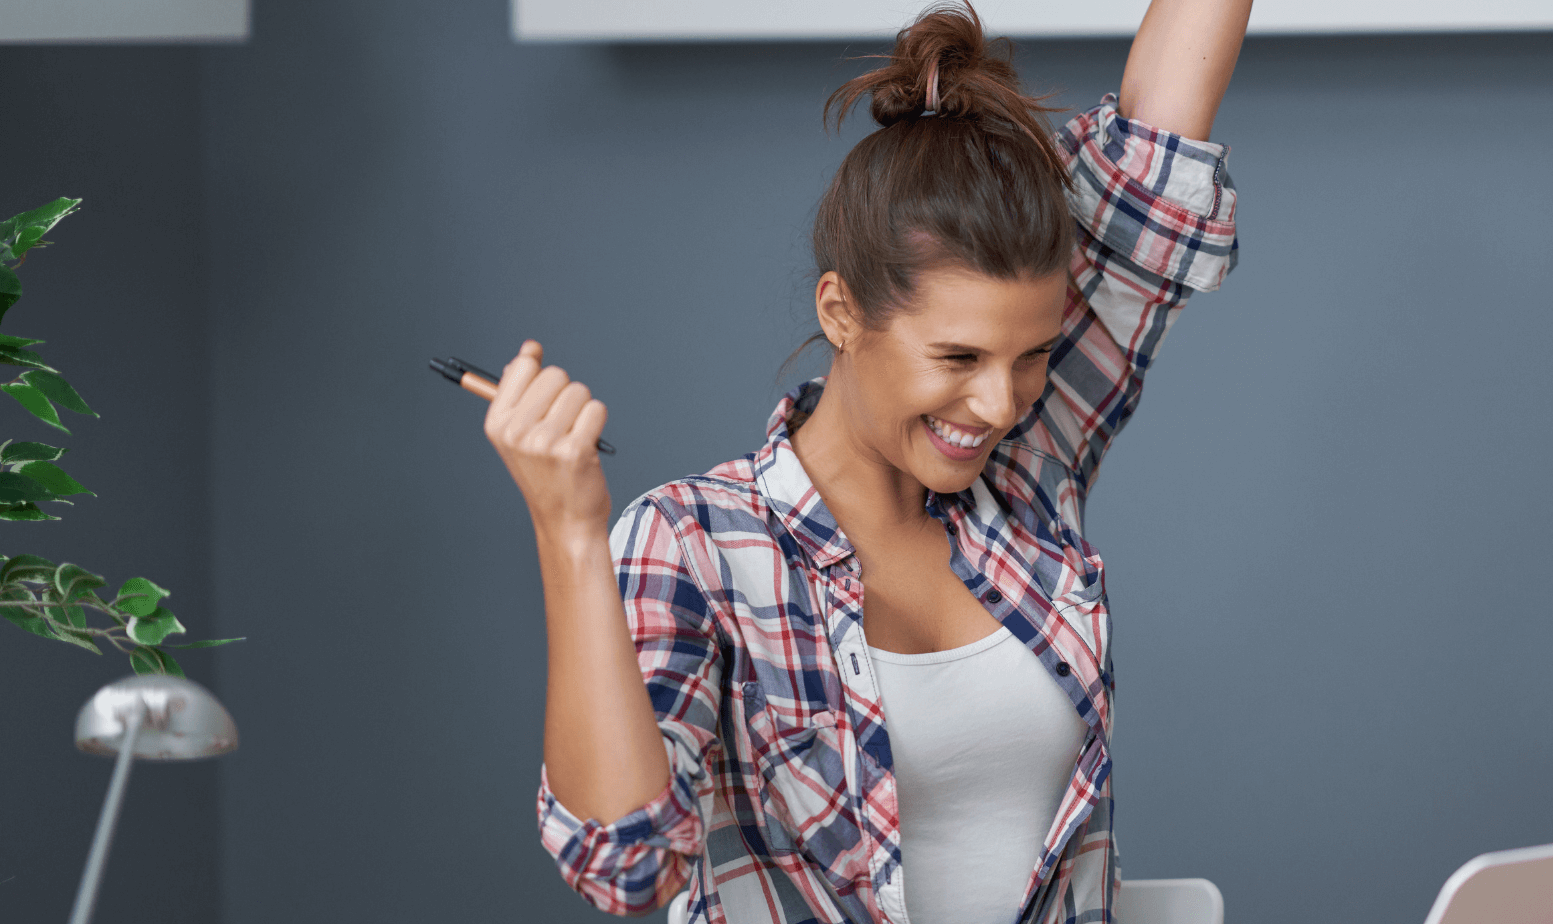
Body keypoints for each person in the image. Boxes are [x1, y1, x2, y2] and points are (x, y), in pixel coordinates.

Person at [484, 1, 1250, 920]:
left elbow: (1157, 160)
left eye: (1034, 355)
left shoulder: (1029, 474)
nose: (1000, 405)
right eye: (957, 359)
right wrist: (569, 532)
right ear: (840, 312)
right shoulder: (694, 545)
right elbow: (626, 866)